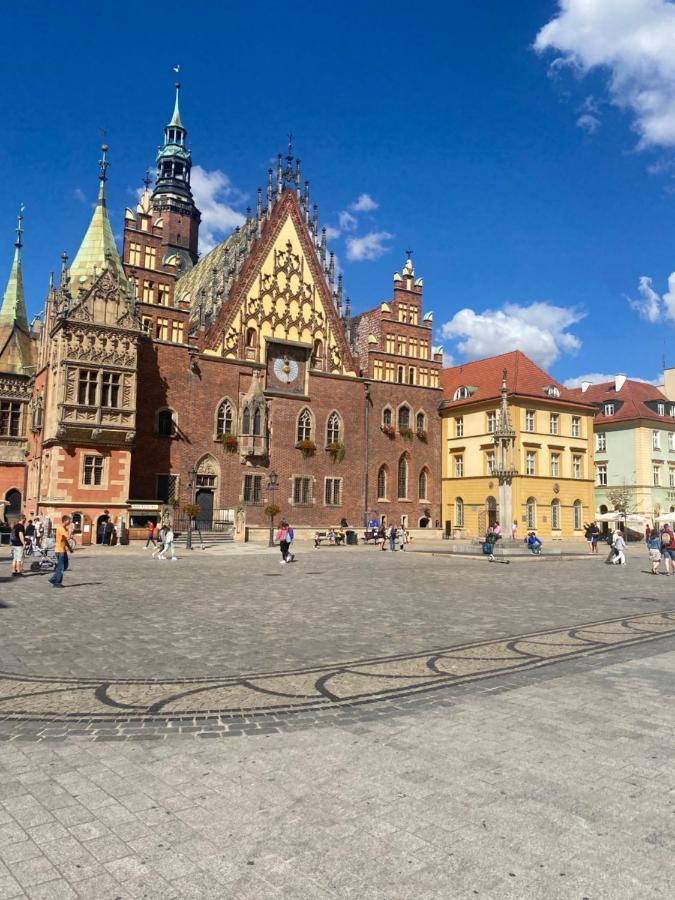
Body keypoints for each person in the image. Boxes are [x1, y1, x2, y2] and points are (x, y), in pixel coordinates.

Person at [49, 515, 73, 587]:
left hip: (63, 550)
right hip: (59, 551)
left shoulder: (64, 528)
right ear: (65, 521)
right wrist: (70, 530)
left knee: (65, 566)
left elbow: (65, 541)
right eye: (69, 521)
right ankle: (57, 582)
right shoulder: (61, 528)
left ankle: (54, 579)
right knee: (61, 567)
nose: (70, 523)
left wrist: (69, 548)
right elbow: (68, 537)